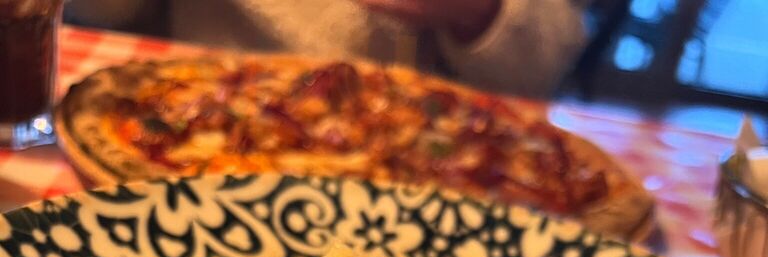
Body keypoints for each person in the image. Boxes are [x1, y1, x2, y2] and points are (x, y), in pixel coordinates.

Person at [69, 0, 594, 98]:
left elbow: (548, 59)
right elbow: (110, 13)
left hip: (426, 142)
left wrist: (478, 12)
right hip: (205, 106)